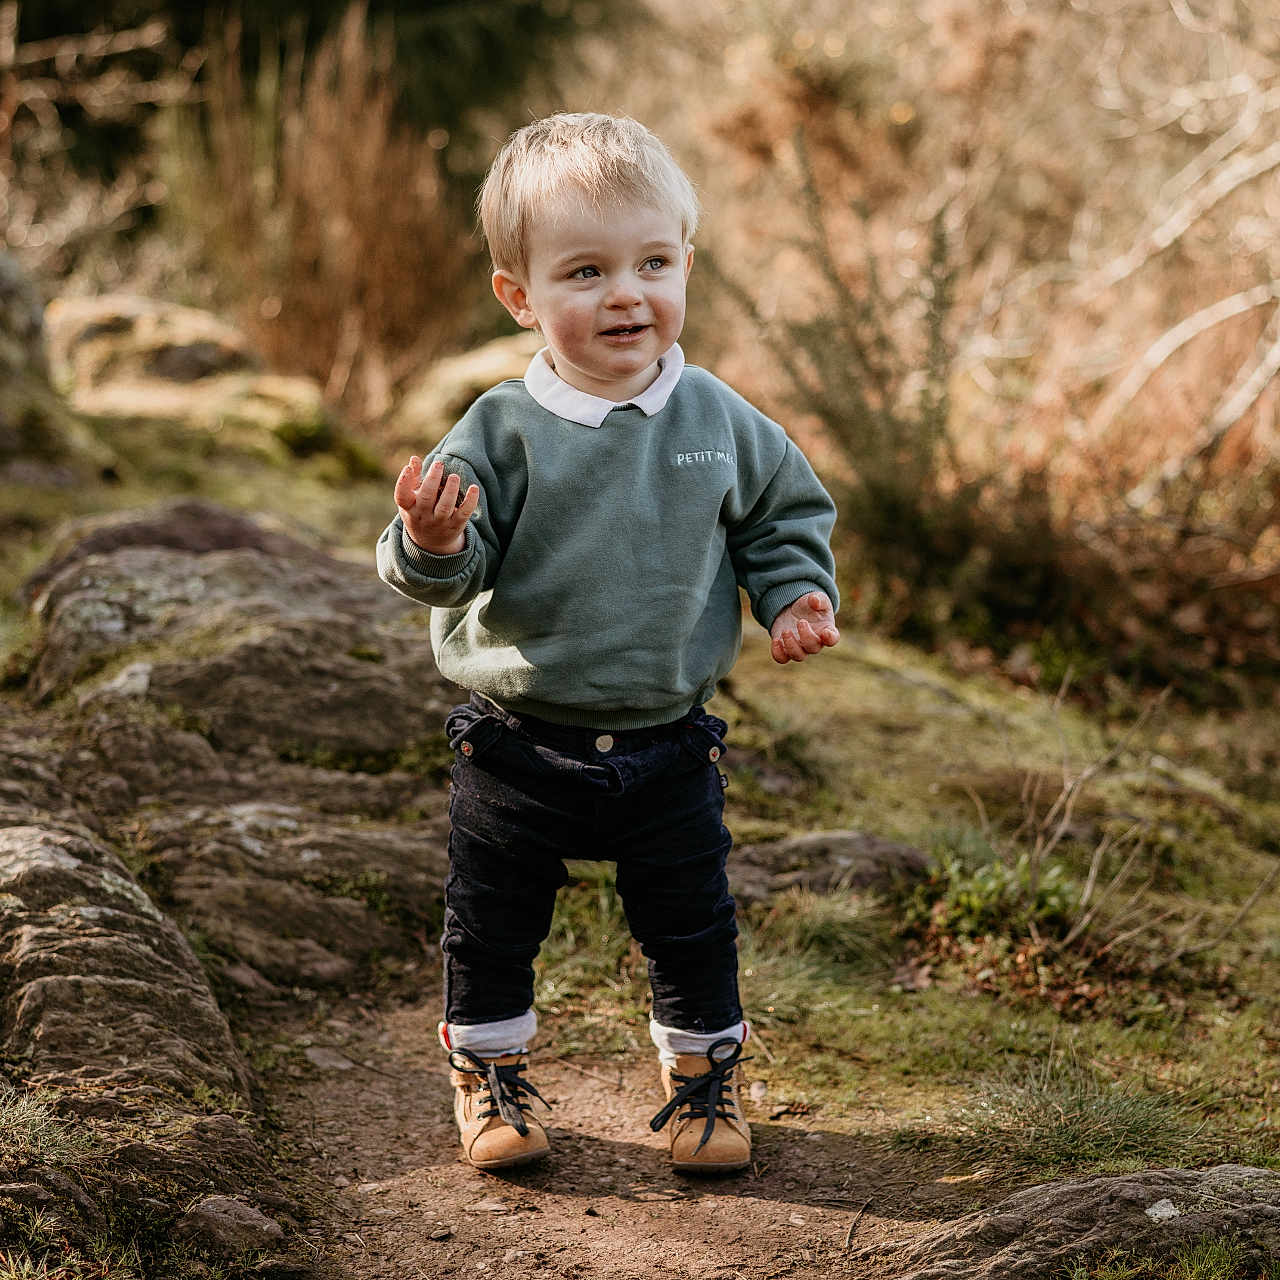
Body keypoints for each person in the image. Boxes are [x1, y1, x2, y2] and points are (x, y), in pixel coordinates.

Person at [376, 112, 839, 1174]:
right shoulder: (499, 428)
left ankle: (701, 1079)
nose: (626, 294)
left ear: (686, 264)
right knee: (489, 922)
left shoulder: (716, 415)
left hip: (667, 738)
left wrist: (793, 596)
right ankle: (487, 1070)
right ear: (520, 295)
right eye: (583, 271)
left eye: (653, 262)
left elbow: (779, 516)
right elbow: (440, 567)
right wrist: (433, 536)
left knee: (690, 920)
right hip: (516, 740)